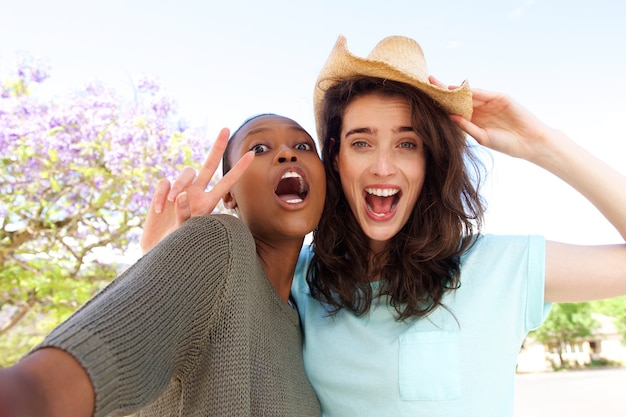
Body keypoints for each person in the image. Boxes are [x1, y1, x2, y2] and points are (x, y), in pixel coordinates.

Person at [144, 35, 626, 417]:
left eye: (407, 144)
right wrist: (160, 260)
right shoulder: (301, 281)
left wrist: (544, 144)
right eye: (360, 143)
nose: (382, 167)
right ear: (335, 160)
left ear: (431, 162)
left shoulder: (500, 266)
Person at [0, 114, 324, 417]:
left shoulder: (305, 318)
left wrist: (160, 258)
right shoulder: (222, 240)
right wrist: (176, 256)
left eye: (303, 146)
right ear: (230, 196)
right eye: (260, 148)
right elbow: (84, 364)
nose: (287, 153)